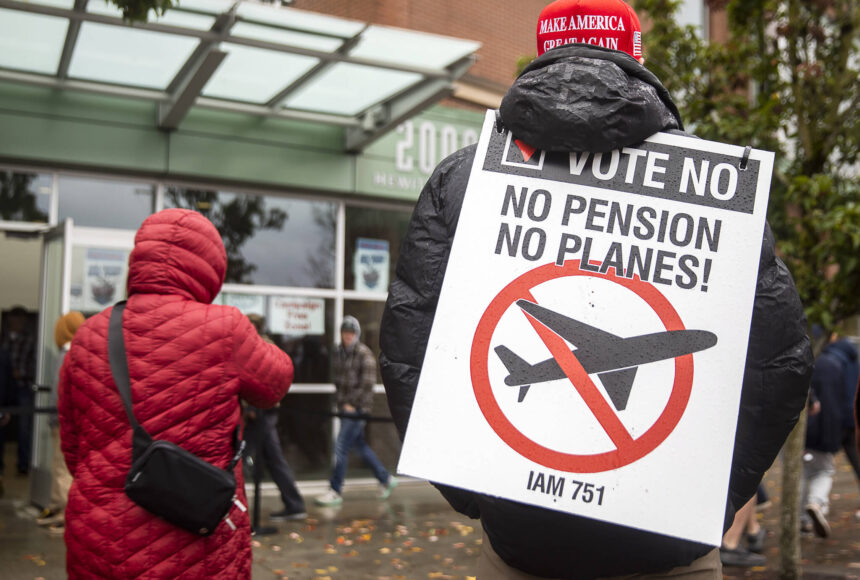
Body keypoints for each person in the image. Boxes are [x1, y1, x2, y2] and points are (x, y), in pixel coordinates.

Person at [379, 1, 812, 578]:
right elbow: (780, 369)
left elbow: (408, 350)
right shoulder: (715, 191)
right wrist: (708, 500)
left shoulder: (462, 179)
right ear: (636, 59)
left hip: (520, 546)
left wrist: (484, 495)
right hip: (673, 552)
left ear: (543, 54)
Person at [58, 209, 294, 579]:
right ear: (210, 267)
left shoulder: (88, 336)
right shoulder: (225, 327)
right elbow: (276, 381)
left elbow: (73, 446)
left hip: (98, 533)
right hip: (196, 535)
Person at [315, 316, 397, 507]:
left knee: (341, 445)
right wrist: (340, 402)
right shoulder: (339, 352)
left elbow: (367, 385)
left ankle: (335, 490)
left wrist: (352, 404)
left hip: (358, 409)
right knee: (359, 445)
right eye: (345, 333)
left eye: (351, 333)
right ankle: (385, 478)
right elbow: (339, 380)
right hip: (344, 408)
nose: (348, 336)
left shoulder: (364, 355)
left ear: (356, 335)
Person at [244, 313, 307, 521]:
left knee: (242, 457)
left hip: (261, 413)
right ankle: (294, 504)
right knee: (272, 460)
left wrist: (252, 406)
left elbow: (257, 380)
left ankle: (294, 504)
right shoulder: (260, 345)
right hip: (261, 411)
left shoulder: (260, 346)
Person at [801, 334, 858, 538]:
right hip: (828, 429)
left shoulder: (823, 362)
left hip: (812, 429)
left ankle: (805, 516)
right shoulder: (841, 362)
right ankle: (816, 503)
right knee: (823, 471)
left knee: (806, 472)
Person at [35, 311, 85, 535]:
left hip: (64, 420)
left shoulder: (69, 354)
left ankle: (64, 516)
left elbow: (60, 391)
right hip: (64, 420)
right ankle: (57, 508)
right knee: (59, 466)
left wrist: (57, 418)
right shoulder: (76, 352)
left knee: (62, 468)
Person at [1, 305, 36, 475]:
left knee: (24, 428)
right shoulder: (4, 339)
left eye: (21, 320)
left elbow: (37, 366)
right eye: (14, 320)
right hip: (4, 387)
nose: (17, 323)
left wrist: (20, 373)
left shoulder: (30, 340)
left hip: (23, 387)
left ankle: (23, 464)